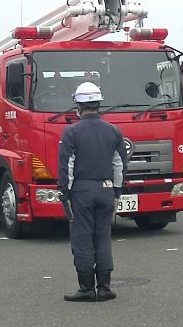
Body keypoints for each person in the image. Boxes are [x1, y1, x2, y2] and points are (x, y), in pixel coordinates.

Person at [57, 82, 127, 302]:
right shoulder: (114, 131)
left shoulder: (71, 131)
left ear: (78, 105)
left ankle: (86, 288)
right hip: (106, 190)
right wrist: (117, 191)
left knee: (82, 238)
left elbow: (66, 165)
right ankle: (105, 287)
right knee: (103, 237)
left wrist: (64, 193)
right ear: (99, 104)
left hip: (81, 191)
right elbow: (119, 164)